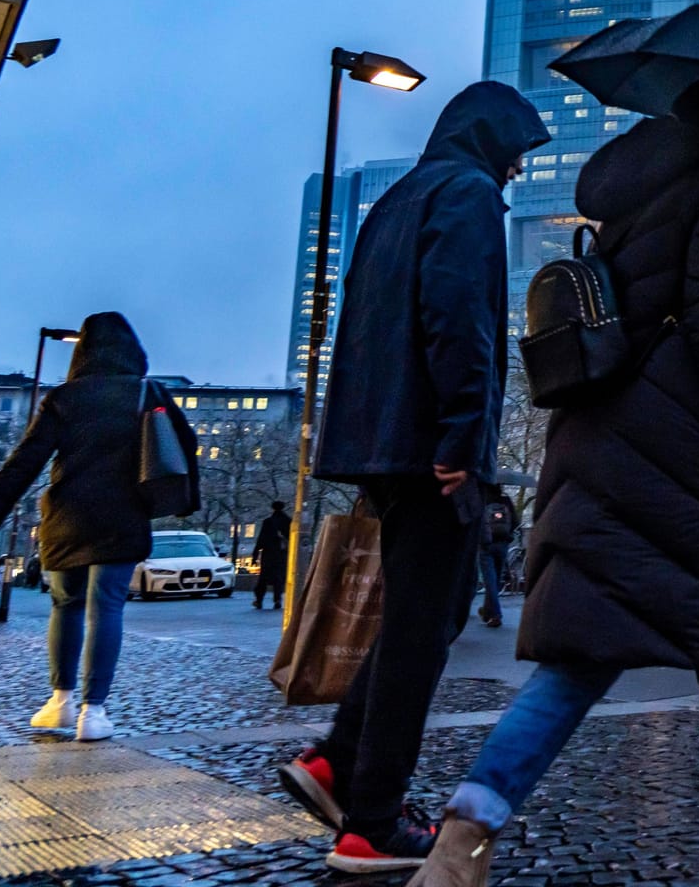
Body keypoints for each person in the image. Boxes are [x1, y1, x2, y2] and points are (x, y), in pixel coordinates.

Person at [408, 80, 699, 887]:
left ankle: (460, 845)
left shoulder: (625, 204)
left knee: (578, 658)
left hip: (602, 446)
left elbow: (657, 306)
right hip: (692, 459)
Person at [276, 81, 548, 876]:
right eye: (515, 153)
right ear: (491, 139)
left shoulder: (397, 200)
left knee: (421, 619)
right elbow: (459, 316)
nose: (516, 172)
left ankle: (337, 764)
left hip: (381, 442)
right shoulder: (466, 194)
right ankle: (372, 820)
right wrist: (465, 435)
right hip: (433, 445)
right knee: (426, 627)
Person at [0, 313, 196, 742]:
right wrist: (179, 500)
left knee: (65, 605)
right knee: (106, 607)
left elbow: (25, 460)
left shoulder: (64, 398)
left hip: (67, 515)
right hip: (123, 515)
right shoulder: (148, 392)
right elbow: (184, 444)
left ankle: (61, 702)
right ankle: (95, 712)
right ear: (133, 349)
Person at [476, 486, 514, 628]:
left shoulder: (483, 500)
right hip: (503, 544)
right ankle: (487, 611)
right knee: (496, 580)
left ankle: (495, 615)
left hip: (486, 545)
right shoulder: (506, 501)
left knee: (490, 581)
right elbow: (514, 521)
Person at [250, 501, 291, 610]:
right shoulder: (289, 521)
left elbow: (261, 539)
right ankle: (277, 599)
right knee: (279, 577)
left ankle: (259, 600)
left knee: (263, 578)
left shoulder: (268, 522)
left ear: (272, 508)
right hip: (283, 554)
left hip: (268, 554)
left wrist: (255, 555)